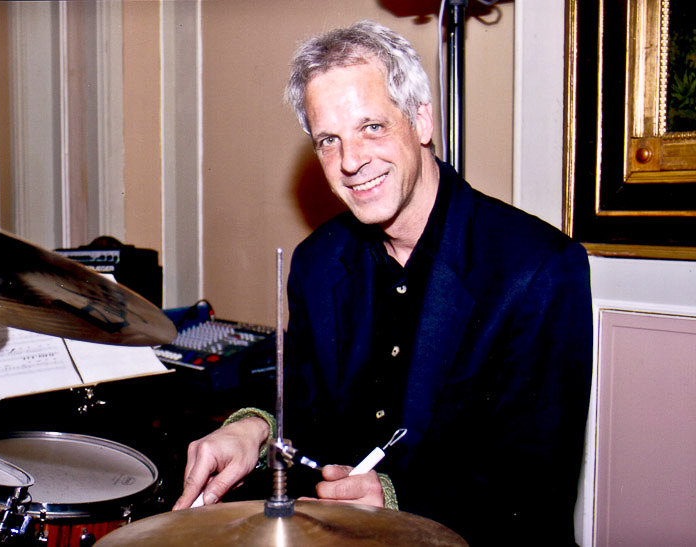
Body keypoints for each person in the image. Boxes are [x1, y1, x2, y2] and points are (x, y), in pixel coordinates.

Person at [174, 19, 592, 546]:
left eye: (372, 127)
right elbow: (303, 401)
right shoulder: (317, 261)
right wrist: (252, 428)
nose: (350, 162)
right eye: (329, 140)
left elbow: (535, 489)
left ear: (421, 120)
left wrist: (394, 501)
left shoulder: (539, 268)